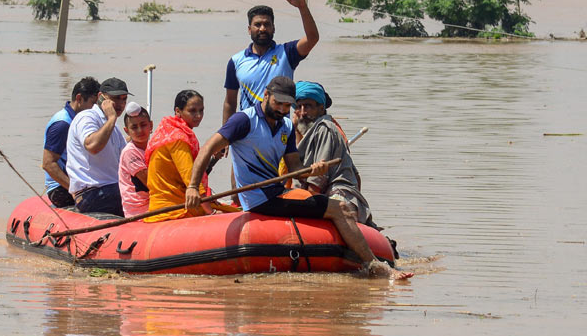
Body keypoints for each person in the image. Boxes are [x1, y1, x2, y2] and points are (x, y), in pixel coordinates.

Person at [186, 77, 410, 279]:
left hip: (278, 192)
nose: (283, 109)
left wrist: (313, 170)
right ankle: (374, 266)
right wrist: (193, 187)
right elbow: (208, 148)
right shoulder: (244, 120)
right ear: (266, 95)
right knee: (339, 208)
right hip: (259, 198)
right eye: (278, 103)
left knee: (329, 206)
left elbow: (296, 167)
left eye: (286, 105)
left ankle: (367, 259)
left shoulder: (285, 126)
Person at [222, 0, 320, 125]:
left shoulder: (286, 53)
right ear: (249, 29)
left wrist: (302, 7)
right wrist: (225, 137)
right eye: (257, 25)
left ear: (273, 28)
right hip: (246, 131)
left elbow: (312, 38)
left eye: (267, 24)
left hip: (279, 130)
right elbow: (230, 103)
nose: (262, 28)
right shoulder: (236, 61)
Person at [291, 81, 377, 228]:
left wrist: (303, 205)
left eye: (308, 106)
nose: (303, 112)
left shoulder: (326, 129)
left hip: (339, 195)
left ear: (321, 108)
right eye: (299, 107)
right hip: (321, 195)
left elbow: (317, 181)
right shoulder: (305, 133)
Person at [144, 89, 237, 222]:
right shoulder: (177, 138)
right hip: (173, 210)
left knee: (233, 211)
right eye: (192, 111)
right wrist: (211, 213)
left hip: (173, 204)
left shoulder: (169, 132)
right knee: (232, 214)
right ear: (178, 111)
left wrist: (212, 158)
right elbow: (191, 179)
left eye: (201, 110)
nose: (198, 115)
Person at [64, 77, 129, 216]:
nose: (121, 104)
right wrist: (112, 118)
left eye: (124, 99)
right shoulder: (87, 117)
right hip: (92, 193)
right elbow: (93, 146)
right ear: (101, 97)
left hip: (112, 189)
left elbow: (127, 157)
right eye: (115, 98)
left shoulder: (114, 128)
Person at [41, 76, 99, 208]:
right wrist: (74, 190)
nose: (95, 109)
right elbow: (48, 164)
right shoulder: (62, 124)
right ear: (79, 99)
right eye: (92, 103)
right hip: (60, 188)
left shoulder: (84, 121)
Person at [117, 102, 153, 217]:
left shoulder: (154, 146)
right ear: (127, 131)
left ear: (151, 126)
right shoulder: (130, 152)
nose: (139, 131)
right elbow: (151, 183)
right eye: (134, 127)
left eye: (143, 125)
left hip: (154, 205)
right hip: (139, 212)